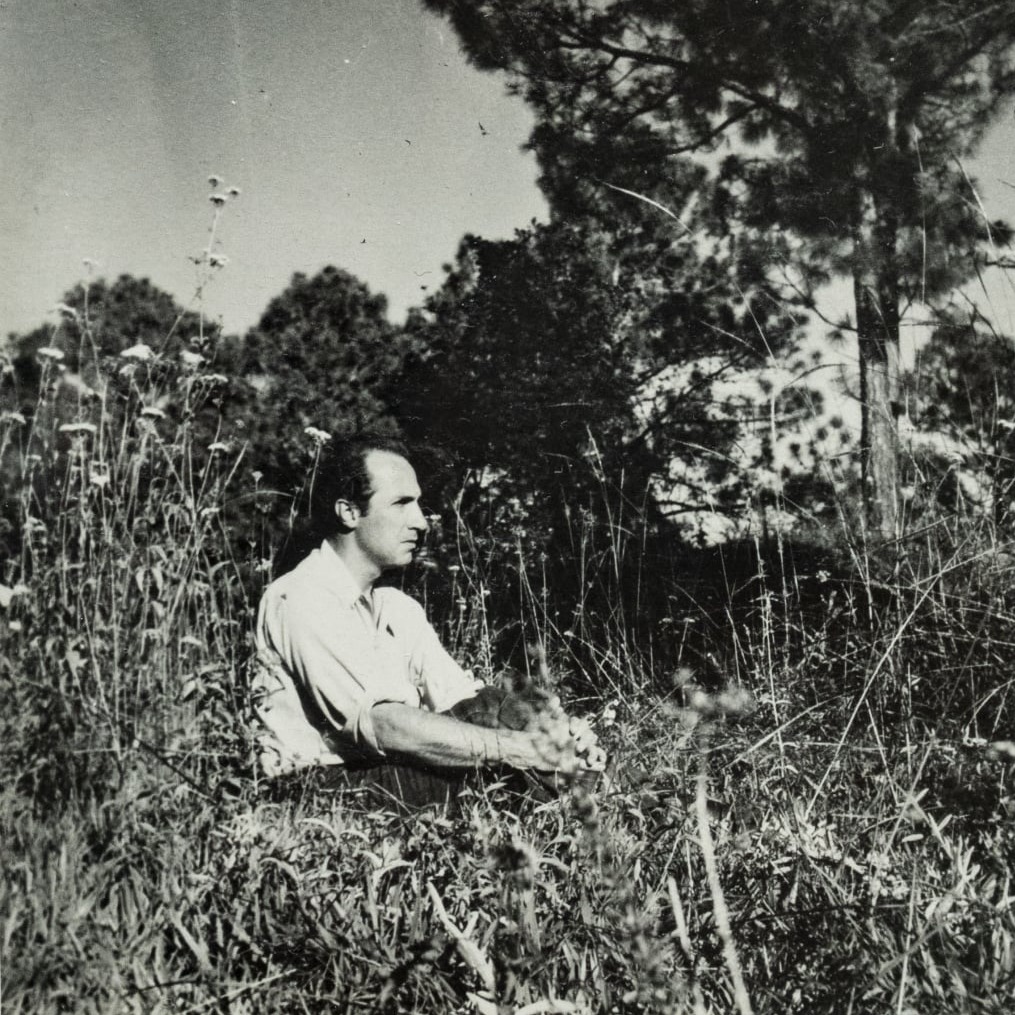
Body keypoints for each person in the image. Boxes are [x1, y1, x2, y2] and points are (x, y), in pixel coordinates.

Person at [252, 432, 603, 808]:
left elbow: (468, 702)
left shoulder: (396, 608)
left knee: (492, 714)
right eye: (401, 503)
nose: (421, 522)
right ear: (349, 512)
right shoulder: (301, 596)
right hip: (317, 794)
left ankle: (587, 789)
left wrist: (556, 731)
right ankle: (591, 804)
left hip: (380, 777)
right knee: (501, 752)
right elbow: (383, 724)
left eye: (418, 504)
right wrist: (523, 748)